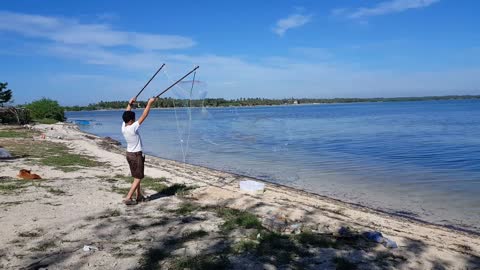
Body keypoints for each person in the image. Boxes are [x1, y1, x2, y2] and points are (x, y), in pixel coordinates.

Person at [121, 96, 157, 205]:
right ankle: (128, 197)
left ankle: (139, 195)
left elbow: (126, 113)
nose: (135, 119)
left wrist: (129, 104)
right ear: (131, 121)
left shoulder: (124, 126)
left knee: (137, 175)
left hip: (129, 154)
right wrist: (150, 103)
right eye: (134, 119)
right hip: (136, 155)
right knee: (138, 177)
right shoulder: (133, 127)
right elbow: (144, 115)